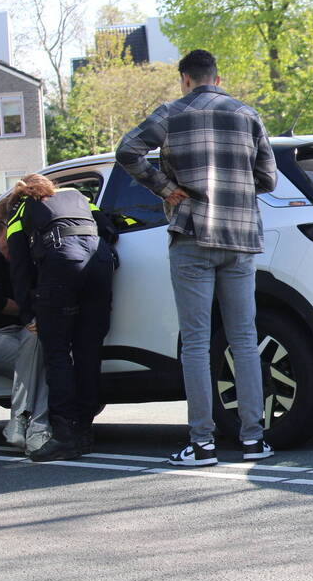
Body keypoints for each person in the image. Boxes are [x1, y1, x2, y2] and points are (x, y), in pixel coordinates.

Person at [115, 49, 277, 467]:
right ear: (217, 78)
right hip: (240, 239)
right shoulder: (248, 115)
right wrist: (235, 191)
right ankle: (253, 440)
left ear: (185, 79)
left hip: (192, 235)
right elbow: (268, 178)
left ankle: (202, 444)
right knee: (244, 340)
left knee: (196, 344)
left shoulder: (171, 113)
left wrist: (165, 187)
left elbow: (127, 150)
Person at [5, 175, 116, 462]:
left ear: (20, 195)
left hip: (61, 264)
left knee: (57, 353)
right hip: (100, 262)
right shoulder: (78, 197)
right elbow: (109, 229)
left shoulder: (21, 209)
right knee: (89, 351)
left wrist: (28, 313)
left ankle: (64, 436)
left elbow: (19, 267)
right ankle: (84, 433)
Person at [0, 199, 51, 454]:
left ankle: (20, 423)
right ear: (2, 227)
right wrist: (27, 309)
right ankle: (38, 428)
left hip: (21, 333)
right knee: (46, 367)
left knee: (39, 340)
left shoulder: (24, 253)